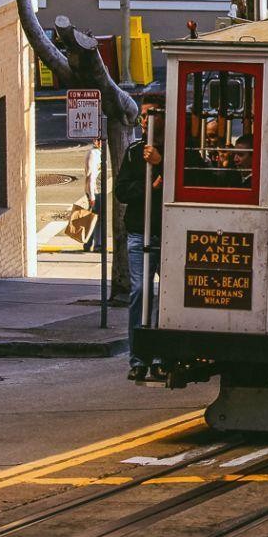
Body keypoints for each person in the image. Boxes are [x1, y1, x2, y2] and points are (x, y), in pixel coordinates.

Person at [117, 95, 167, 381]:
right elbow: (122, 191)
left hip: (170, 234)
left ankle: (162, 356)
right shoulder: (135, 152)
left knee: (168, 298)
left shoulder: (179, 149)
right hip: (139, 233)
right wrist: (150, 184)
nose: (146, 120)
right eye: (143, 115)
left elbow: (194, 176)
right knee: (140, 292)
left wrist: (162, 164)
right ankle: (138, 359)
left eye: (152, 114)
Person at [82, 138, 104, 253]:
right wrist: (92, 196)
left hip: (98, 189)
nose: (99, 142)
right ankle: (97, 244)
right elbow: (90, 176)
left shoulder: (98, 152)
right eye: (97, 140)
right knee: (97, 219)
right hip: (95, 190)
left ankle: (88, 243)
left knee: (94, 218)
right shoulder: (93, 154)